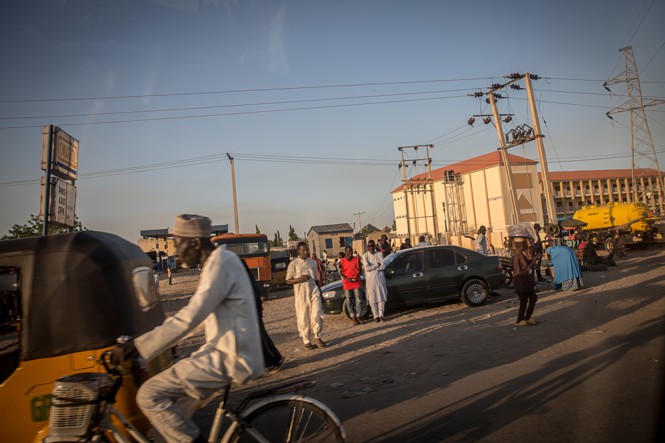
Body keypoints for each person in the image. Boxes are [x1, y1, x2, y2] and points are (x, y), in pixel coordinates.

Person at [111, 214, 264, 443]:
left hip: (230, 357)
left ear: (194, 242)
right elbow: (200, 318)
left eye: (177, 243)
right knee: (170, 427)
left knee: (149, 395)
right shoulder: (220, 261)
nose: (175, 251)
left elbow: (190, 316)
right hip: (225, 350)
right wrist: (168, 339)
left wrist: (139, 347)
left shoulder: (219, 265)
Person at [285, 242, 326, 349]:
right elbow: (288, 280)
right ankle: (306, 340)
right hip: (301, 294)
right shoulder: (293, 264)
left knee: (317, 314)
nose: (305, 252)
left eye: (306, 250)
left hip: (314, 291)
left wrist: (320, 293)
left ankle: (317, 336)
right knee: (303, 317)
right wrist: (299, 279)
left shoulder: (313, 263)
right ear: (298, 251)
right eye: (303, 250)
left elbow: (316, 280)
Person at [512, 240, 538, 326]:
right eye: (525, 244)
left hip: (522, 282)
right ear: (522, 246)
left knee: (531, 298)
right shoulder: (520, 255)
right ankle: (520, 319)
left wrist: (532, 260)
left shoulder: (519, 254)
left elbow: (525, 265)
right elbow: (527, 269)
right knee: (525, 300)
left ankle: (526, 317)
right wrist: (534, 261)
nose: (527, 245)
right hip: (522, 283)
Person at [338, 245, 365, 325]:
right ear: (345, 252)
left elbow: (361, 271)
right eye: (348, 251)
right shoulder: (341, 261)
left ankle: (359, 316)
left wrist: (357, 277)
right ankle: (353, 317)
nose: (350, 253)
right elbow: (341, 273)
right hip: (347, 283)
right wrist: (346, 279)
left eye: (351, 251)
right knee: (349, 300)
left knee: (358, 299)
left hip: (356, 282)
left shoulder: (357, 260)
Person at [362, 240, 388, 322]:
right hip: (370, 281)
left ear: (375, 246)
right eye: (369, 246)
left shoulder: (379, 254)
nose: (371, 248)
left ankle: (381, 315)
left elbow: (383, 266)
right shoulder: (365, 256)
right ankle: (375, 316)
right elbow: (367, 268)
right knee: (372, 300)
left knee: (381, 299)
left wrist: (373, 267)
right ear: (367, 247)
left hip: (380, 279)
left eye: (372, 246)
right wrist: (377, 265)